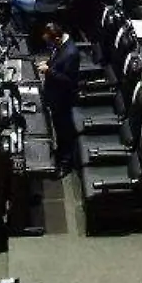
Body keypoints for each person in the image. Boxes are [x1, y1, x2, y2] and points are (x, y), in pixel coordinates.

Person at [39, 23, 83, 172]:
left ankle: (66, 163)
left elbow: (69, 80)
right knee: (58, 128)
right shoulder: (60, 45)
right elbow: (57, 61)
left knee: (64, 130)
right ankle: (60, 152)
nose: (49, 45)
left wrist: (49, 71)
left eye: (50, 42)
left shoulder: (71, 53)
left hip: (63, 99)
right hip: (54, 95)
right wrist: (49, 63)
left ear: (57, 38)